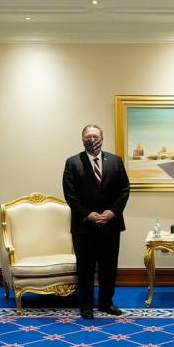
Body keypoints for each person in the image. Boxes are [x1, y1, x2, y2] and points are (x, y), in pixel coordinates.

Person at [62, 125, 130, 319]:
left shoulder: (115, 161)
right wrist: (88, 214)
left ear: (102, 138)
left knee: (109, 267)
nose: (92, 139)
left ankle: (106, 303)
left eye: (95, 136)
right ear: (82, 139)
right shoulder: (72, 162)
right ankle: (86, 306)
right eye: (87, 136)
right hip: (84, 226)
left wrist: (112, 211)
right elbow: (70, 194)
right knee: (85, 268)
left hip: (111, 225)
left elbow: (124, 189)